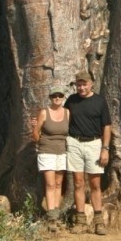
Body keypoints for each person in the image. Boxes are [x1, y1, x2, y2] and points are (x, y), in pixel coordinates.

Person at [65, 71, 111, 235]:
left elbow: (106, 126)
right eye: (79, 84)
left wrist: (105, 149)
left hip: (94, 144)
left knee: (95, 184)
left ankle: (99, 222)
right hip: (75, 143)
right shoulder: (71, 100)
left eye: (84, 84)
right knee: (78, 183)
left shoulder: (99, 101)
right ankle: (80, 220)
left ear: (91, 84)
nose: (81, 87)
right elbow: (62, 118)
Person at [32, 84, 70, 231]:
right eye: (54, 96)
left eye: (60, 96)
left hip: (62, 151)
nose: (57, 98)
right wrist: (40, 142)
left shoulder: (67, 113)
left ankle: (55, 214)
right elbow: (35, 132)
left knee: (59, 184)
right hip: (47, 151)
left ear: (63, 98)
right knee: (50, 184)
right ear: (50, 98)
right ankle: (51, 217)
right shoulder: (44, 112)